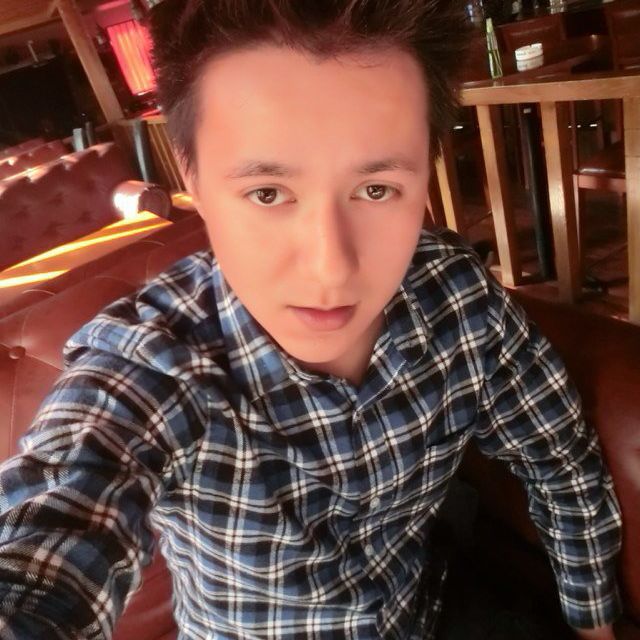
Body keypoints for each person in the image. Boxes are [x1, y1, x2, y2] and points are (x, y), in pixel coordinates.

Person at [0, 1, 623, 638]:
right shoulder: (154, 364)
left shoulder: (454, 296)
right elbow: (59, 518)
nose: (331, 267)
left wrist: (593, 621)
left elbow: (558, 457)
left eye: (376, 189)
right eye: (268, 193)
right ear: (194, 179)